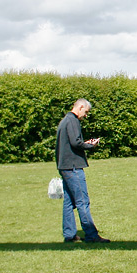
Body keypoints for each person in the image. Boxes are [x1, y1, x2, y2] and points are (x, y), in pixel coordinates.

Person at [55, 99, 108, 243]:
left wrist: (85, 143)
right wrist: (90, 146)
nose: (86, 115)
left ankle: (70, 235)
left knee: (69, 202)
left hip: (64, 166)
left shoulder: (64, 121)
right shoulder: (73, 121)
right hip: (73, 167)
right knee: (82, 201)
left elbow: (71, 143)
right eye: (86, 112)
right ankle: (91, 235)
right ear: (80, 107)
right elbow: (75, 142)